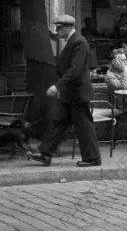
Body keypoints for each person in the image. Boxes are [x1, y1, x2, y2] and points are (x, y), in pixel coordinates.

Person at [28, 15, 102, 167]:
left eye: (59, 27)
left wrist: (57, 86)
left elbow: (75, 70)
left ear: (68, 27)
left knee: (83, 126)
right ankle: (45, 154)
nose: (57, 30)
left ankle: (93, 158)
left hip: (78, 93)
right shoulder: (72, 41)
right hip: (71, 93)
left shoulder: (79, 42)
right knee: (60, 123)